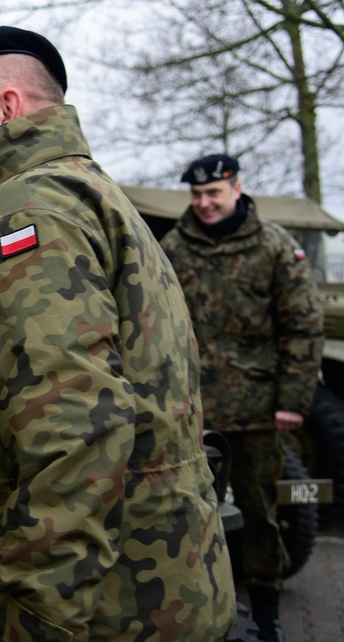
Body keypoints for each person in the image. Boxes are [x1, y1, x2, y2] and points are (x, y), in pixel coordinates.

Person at [0, 24, 237, 640]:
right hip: (153, 591)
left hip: (99, 611)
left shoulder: (26, 218)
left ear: (9, 107)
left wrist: (40, 622)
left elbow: (77, 436)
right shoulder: (89, 197)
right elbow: (96, 398)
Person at [160, 154, 324, 642]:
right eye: (197, 196)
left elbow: (302, 325)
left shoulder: (274, 247)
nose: (205, 204)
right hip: (190, 411)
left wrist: (292, 399)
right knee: (185, 511)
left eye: (214, 193)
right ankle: (190, 606)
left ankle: (268, 612)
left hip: (255, 408)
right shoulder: (172, 248)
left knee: (259, 513)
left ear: (237, 188)